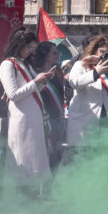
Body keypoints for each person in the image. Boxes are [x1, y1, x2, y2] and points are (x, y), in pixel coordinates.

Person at [0, 28, 55, 195]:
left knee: (35, 160)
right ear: (19, 44)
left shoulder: (23, 64)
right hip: (21, 120)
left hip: (34, 118)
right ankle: (22, 199)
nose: (31, 51)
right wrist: (36, 81)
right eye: (29, 47)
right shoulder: (8, 64)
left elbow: (30, 91)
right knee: (24, 159)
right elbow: (14, 94)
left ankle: (33, 196)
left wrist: (42, 82)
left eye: (33, 47)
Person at [66, 35, 108, 146]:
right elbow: (74, 82)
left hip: (106, 119)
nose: (104, 55)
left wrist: (102, 60)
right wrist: (95, 72)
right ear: (93, 50)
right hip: (85, 120)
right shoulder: (80, 65)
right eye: (101, 51)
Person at [31, 41, 67, 171]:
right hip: (41, 118)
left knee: (56, 152)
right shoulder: (34, 72)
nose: (57, 55)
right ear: (45, 55)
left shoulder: (57, 71)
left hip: (56, 117)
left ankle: (53, 185)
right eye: (54, 52)